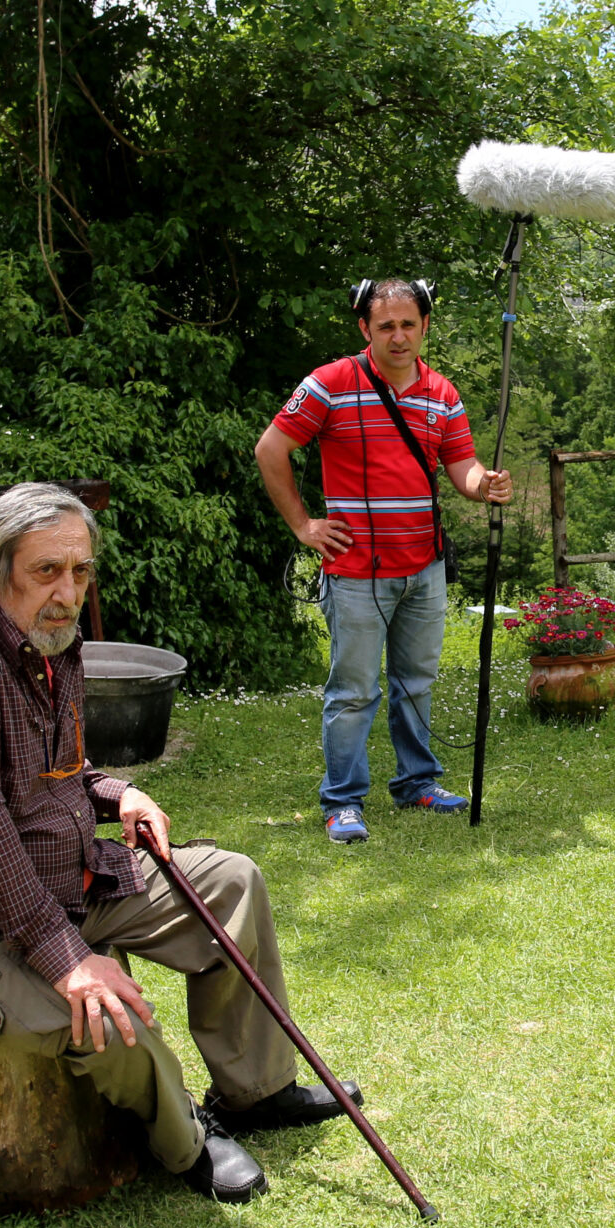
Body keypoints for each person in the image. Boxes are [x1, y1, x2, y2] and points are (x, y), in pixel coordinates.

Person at [0, 482, 358, 1206]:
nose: (68, 591)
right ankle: (187, 1138)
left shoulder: (50, 642)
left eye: (81, 572)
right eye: (47, 570)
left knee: (230, 881)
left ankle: (257, 1089)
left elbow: (57, 767)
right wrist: (67, 957)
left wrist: (119, 794)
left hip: (54, 877)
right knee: (101, 1012)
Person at [254, 278, 514, 842]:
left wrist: (483, 485)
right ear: (364, 329)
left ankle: (416, 783)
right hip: (354, 571)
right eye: (385, 326)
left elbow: (460, 465)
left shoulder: (442, 393)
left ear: (424, 326)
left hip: (425, 565)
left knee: (416, 682)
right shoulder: (329, 384)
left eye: (408, 325)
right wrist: (304, 525)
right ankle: (342, 800)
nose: (398, 336)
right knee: (353, 690)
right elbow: (270, 449)